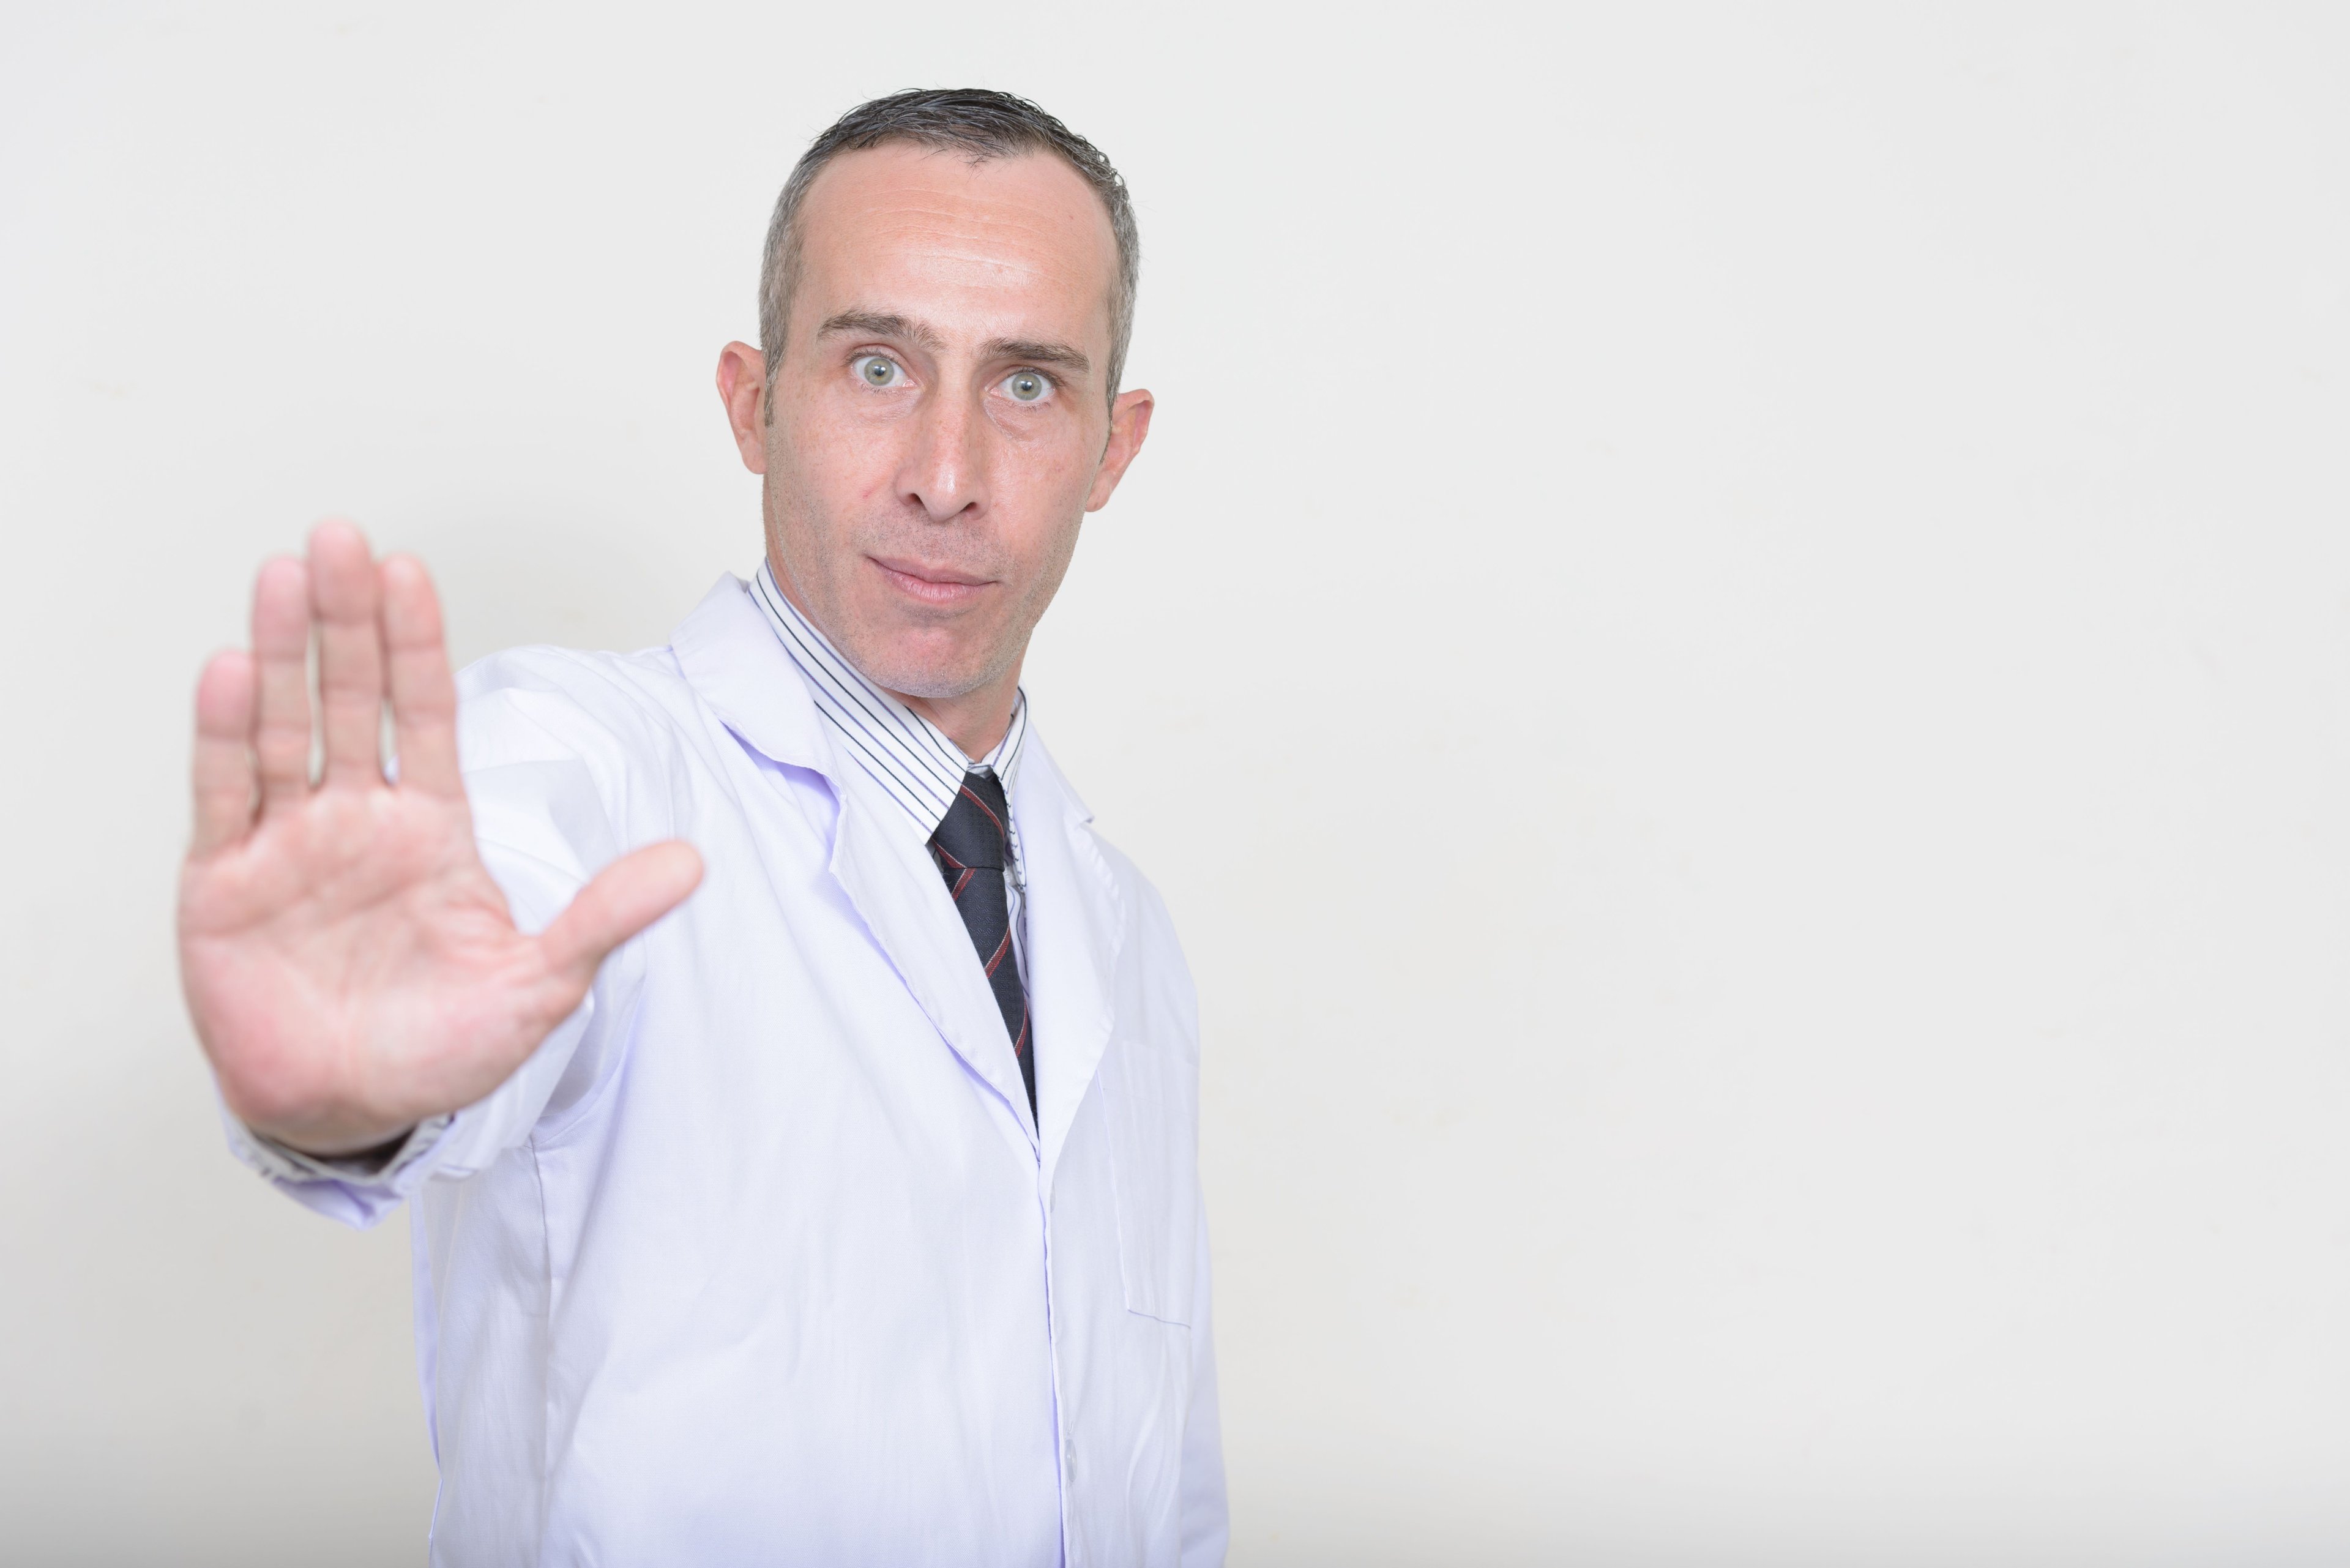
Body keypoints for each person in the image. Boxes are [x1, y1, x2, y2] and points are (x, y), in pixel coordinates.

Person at [176, 88, 1224, 1567]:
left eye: (1029, 386)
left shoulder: (1130, 938)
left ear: (1114, 448)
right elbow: (470, 935)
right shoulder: (580, 764)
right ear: (753, 403)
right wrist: (349, 1098)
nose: (946, 476)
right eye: (877, 366)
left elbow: (1162, 1484)